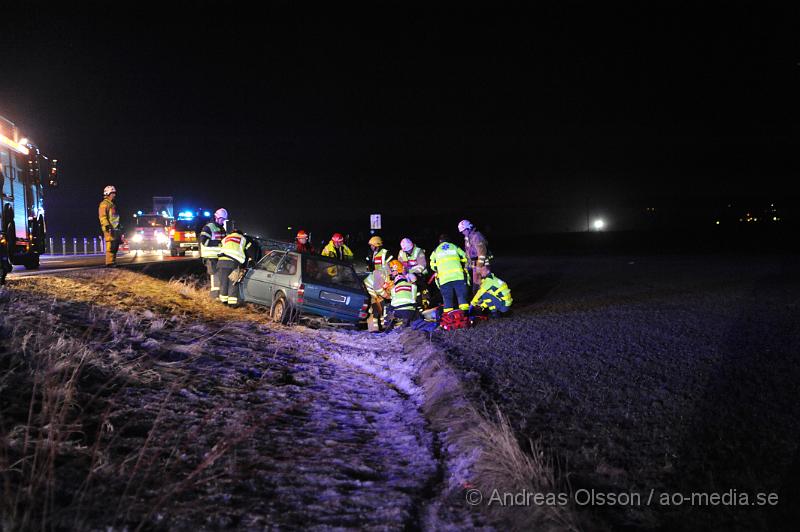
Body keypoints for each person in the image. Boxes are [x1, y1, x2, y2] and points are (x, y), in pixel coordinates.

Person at [429, 234, 470, 314]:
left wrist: (438, 268)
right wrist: (461, 264)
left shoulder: (436, 250)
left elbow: (432, 265)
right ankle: (465, 315)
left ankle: (449, 318)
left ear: (440, 241)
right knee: (462, 298)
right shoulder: (454, 247)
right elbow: (465, 257)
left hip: (444, 279)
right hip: (458, 276)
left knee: (447, 300)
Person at [216, 223, 252, 307]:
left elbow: (220, 247)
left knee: (223, 283)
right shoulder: (243, 239)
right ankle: (232, 304)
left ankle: (223, 302)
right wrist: (246, 263)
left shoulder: (226, 238)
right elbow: (248, 251)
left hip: (221, 262)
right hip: (234, 263)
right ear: (241, 234)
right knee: (233, 283)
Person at [199, 208, 228, 300]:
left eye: (224, 219)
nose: (223, 221)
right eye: (222, 219)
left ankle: (219, 296)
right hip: (211, 257)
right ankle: (214, 297)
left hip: (220, 257)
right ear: (217, 217)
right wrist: (219, 243)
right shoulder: (208, 227)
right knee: (215, 276)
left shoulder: (222, 228)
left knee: (220, 276)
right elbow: (204, 241)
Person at [458, 219, 491, 295]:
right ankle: (479, 303)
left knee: (486, 284)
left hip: (483, 266)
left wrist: (479, 266)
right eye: (462, 231)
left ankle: (490, 302)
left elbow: (482, 253)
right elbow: (468, 253)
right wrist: (468, 265)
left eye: (464, 230)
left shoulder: (477, 236)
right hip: (475, 265)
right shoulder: (467, 238)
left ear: (469, 228)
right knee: (476, 286)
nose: (463, 233)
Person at [384, 260, 418, 330]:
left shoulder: (394, 288)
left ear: (396, 271)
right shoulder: (412, 286)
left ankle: (388, 327)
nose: (391, 273)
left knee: (388, 307)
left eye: (392, 271)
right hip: (411, 310)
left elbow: (393, 300)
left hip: (399, 311)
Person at [398, 237, 430, 308]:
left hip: (420, 274)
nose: (408, 252)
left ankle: (424, 304)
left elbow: (422, 266)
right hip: (407, 275)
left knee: (420, 288)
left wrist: (410, 271)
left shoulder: (418, 251)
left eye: (409, 250)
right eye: (406, 251)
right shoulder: (401, 253)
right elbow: (399, 265)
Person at [98, 185, 121, 267]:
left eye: (114, 193)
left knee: (115, 246)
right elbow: (102, 216)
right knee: (111, 246)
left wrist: (119, 226)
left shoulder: (112, 204)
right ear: (108, 193)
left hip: (115, 228)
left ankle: (113, 262)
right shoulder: (104, 204)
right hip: (109, 229)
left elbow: (114, 217)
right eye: (112, 193)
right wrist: (107, 226)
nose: (114, 195)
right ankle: (110, 263)